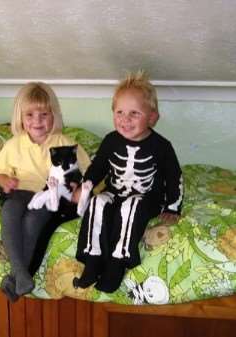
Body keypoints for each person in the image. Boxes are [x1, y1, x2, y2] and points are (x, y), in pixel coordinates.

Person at [72, 71, 183, 293]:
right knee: (98, 203)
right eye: (120, 112)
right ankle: (92, 260)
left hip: (146, 197)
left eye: (135, 113)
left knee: (130, 206)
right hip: (116, 191)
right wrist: (85, 187)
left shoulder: (162, 146)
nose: (125, 119)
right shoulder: (111, 140)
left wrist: (173, 207)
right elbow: (98, 167)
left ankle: (117, 263)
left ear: (152, 117)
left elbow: (174, 177)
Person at [0, 82, 90, 302]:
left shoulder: (64, 143)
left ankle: (15, 277)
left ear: (53, 115)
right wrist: (5, 180)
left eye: (44, 114)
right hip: (19, 192)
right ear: (21, 118)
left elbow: (89, 170)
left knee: (32, 222)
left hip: (48, 196)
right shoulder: (13, 144)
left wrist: (79, 187)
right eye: (30, 115)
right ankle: (21, 273)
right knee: (9, 215)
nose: (37, 121)